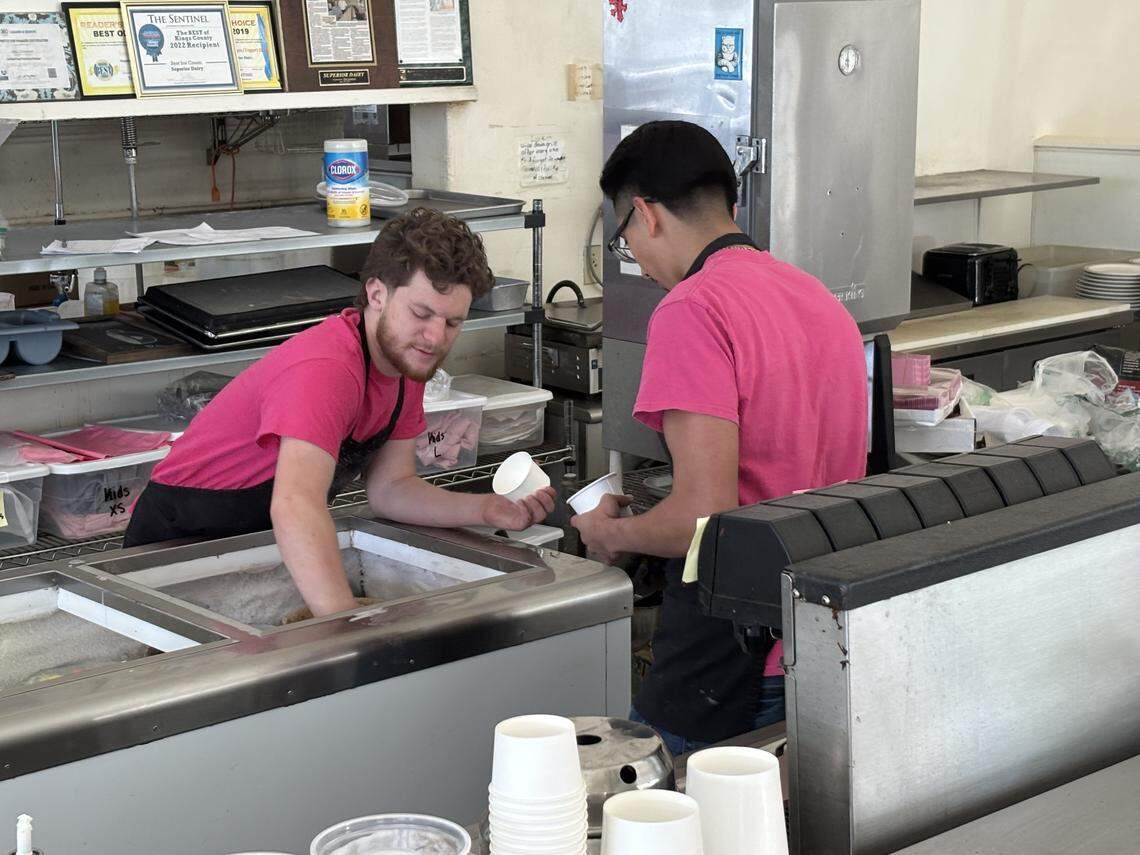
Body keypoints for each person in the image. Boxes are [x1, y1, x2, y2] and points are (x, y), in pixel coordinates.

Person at [571, 121, 868, 755]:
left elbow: (705, 518)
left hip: (729, 650)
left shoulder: (691, 309)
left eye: (624, 239)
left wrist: (613, 534)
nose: (638, 261)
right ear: (729, 205)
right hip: (824, 634)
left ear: (644, 214)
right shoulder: (818, 298)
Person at [125, 208, 555, 617]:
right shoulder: (328, 368)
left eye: (453, 323)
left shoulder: (406, 365)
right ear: (376, 294)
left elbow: (391, 489)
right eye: (421, 314)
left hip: (255, 545)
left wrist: (486, 511)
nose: (435, 337)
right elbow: (296, 504)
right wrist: (347, 630)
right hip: (176, 547)